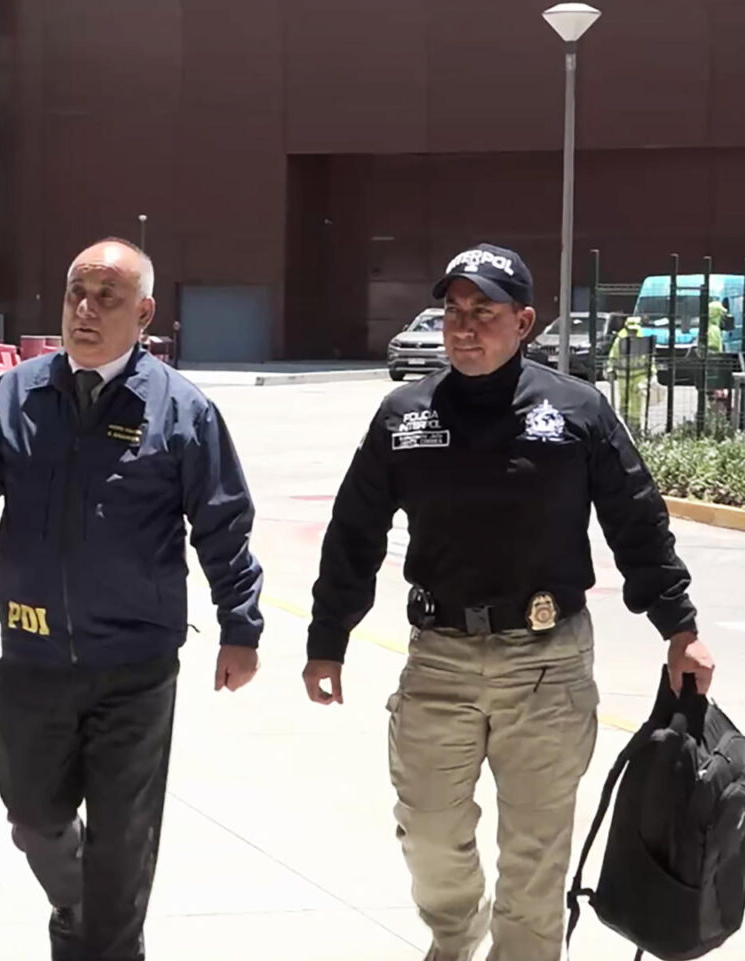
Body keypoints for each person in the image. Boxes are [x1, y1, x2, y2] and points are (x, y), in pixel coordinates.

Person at [305, 243, 716, 961]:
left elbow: (637, 520)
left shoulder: (576, 410)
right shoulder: (405, 415)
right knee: (430, 835)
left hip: (548, 665)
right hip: (440, 659)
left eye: (484, 311)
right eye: (453, 310)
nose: (464, 326)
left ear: (524, 323)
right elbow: (354, 532)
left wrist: (679, 627)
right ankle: (455, 936)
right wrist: (327, 638)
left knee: (535, 854)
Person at [0, 238, 264, 961]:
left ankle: (105, 937)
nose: (84, 311)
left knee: (123, 844)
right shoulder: (18, 393)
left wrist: (241, 625)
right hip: (32, 658)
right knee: (33, 818)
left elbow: (223, 522)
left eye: (106, 298)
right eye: (75, 295)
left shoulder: (181, 410)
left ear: (143, 314)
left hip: (134, 666)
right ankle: (77, 906)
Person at [606, 315, 653, 431]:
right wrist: (610, 369)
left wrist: (652, 373)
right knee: (624, 401)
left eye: (634, 330)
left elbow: (649, 358)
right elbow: (613, 356)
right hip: (623, 377)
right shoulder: (620, 340)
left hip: (639, 377)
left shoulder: (643, 340)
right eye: (630, 330)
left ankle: (635, 425)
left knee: (636, 401)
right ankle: (624, 423)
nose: (632, 333)